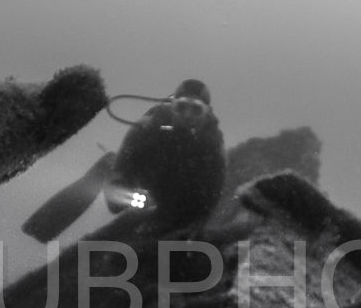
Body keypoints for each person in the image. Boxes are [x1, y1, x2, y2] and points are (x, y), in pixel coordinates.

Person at [21, 79, 225, 241]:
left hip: (173, 189)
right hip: (139, 180)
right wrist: (123, 190)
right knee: (108, 181)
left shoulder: (212, 141)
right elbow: (124, 166)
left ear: (207, 113)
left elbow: (215, 186)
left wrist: (199, 222)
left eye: (196, 109)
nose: (188, 115)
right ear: (172, 107)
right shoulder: (148, 126)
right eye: (181, 107)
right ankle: (41, 227)